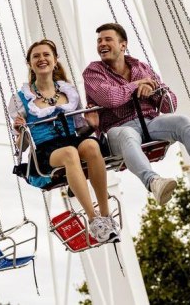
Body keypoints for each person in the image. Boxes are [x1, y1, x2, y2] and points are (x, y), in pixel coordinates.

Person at [82, 23, 190, 206]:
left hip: (149, 122)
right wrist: (136, 85)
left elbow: (170, 104)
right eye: (99, 41)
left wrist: (154, 91)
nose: (102, 44)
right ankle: (153, 182)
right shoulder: (93, 72)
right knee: (127, 136)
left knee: (181, 121)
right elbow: (109, 98)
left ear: (123, 45)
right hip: (118, 128)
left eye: (108, 39)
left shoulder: (142, 67)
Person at [8, 39, 118, 244]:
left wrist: (92, 125)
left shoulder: (69, 92)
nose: (42, 59)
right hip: (45, 151)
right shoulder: (21, 99)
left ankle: (106, 214)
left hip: (70, 140)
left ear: (55, 60)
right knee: (69, 153)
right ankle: (94, 220)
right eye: (36, 56)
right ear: (30, 64)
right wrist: (19, 130)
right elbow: (21, 147)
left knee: (92, 145)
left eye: (46, 55)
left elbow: (80, 128)